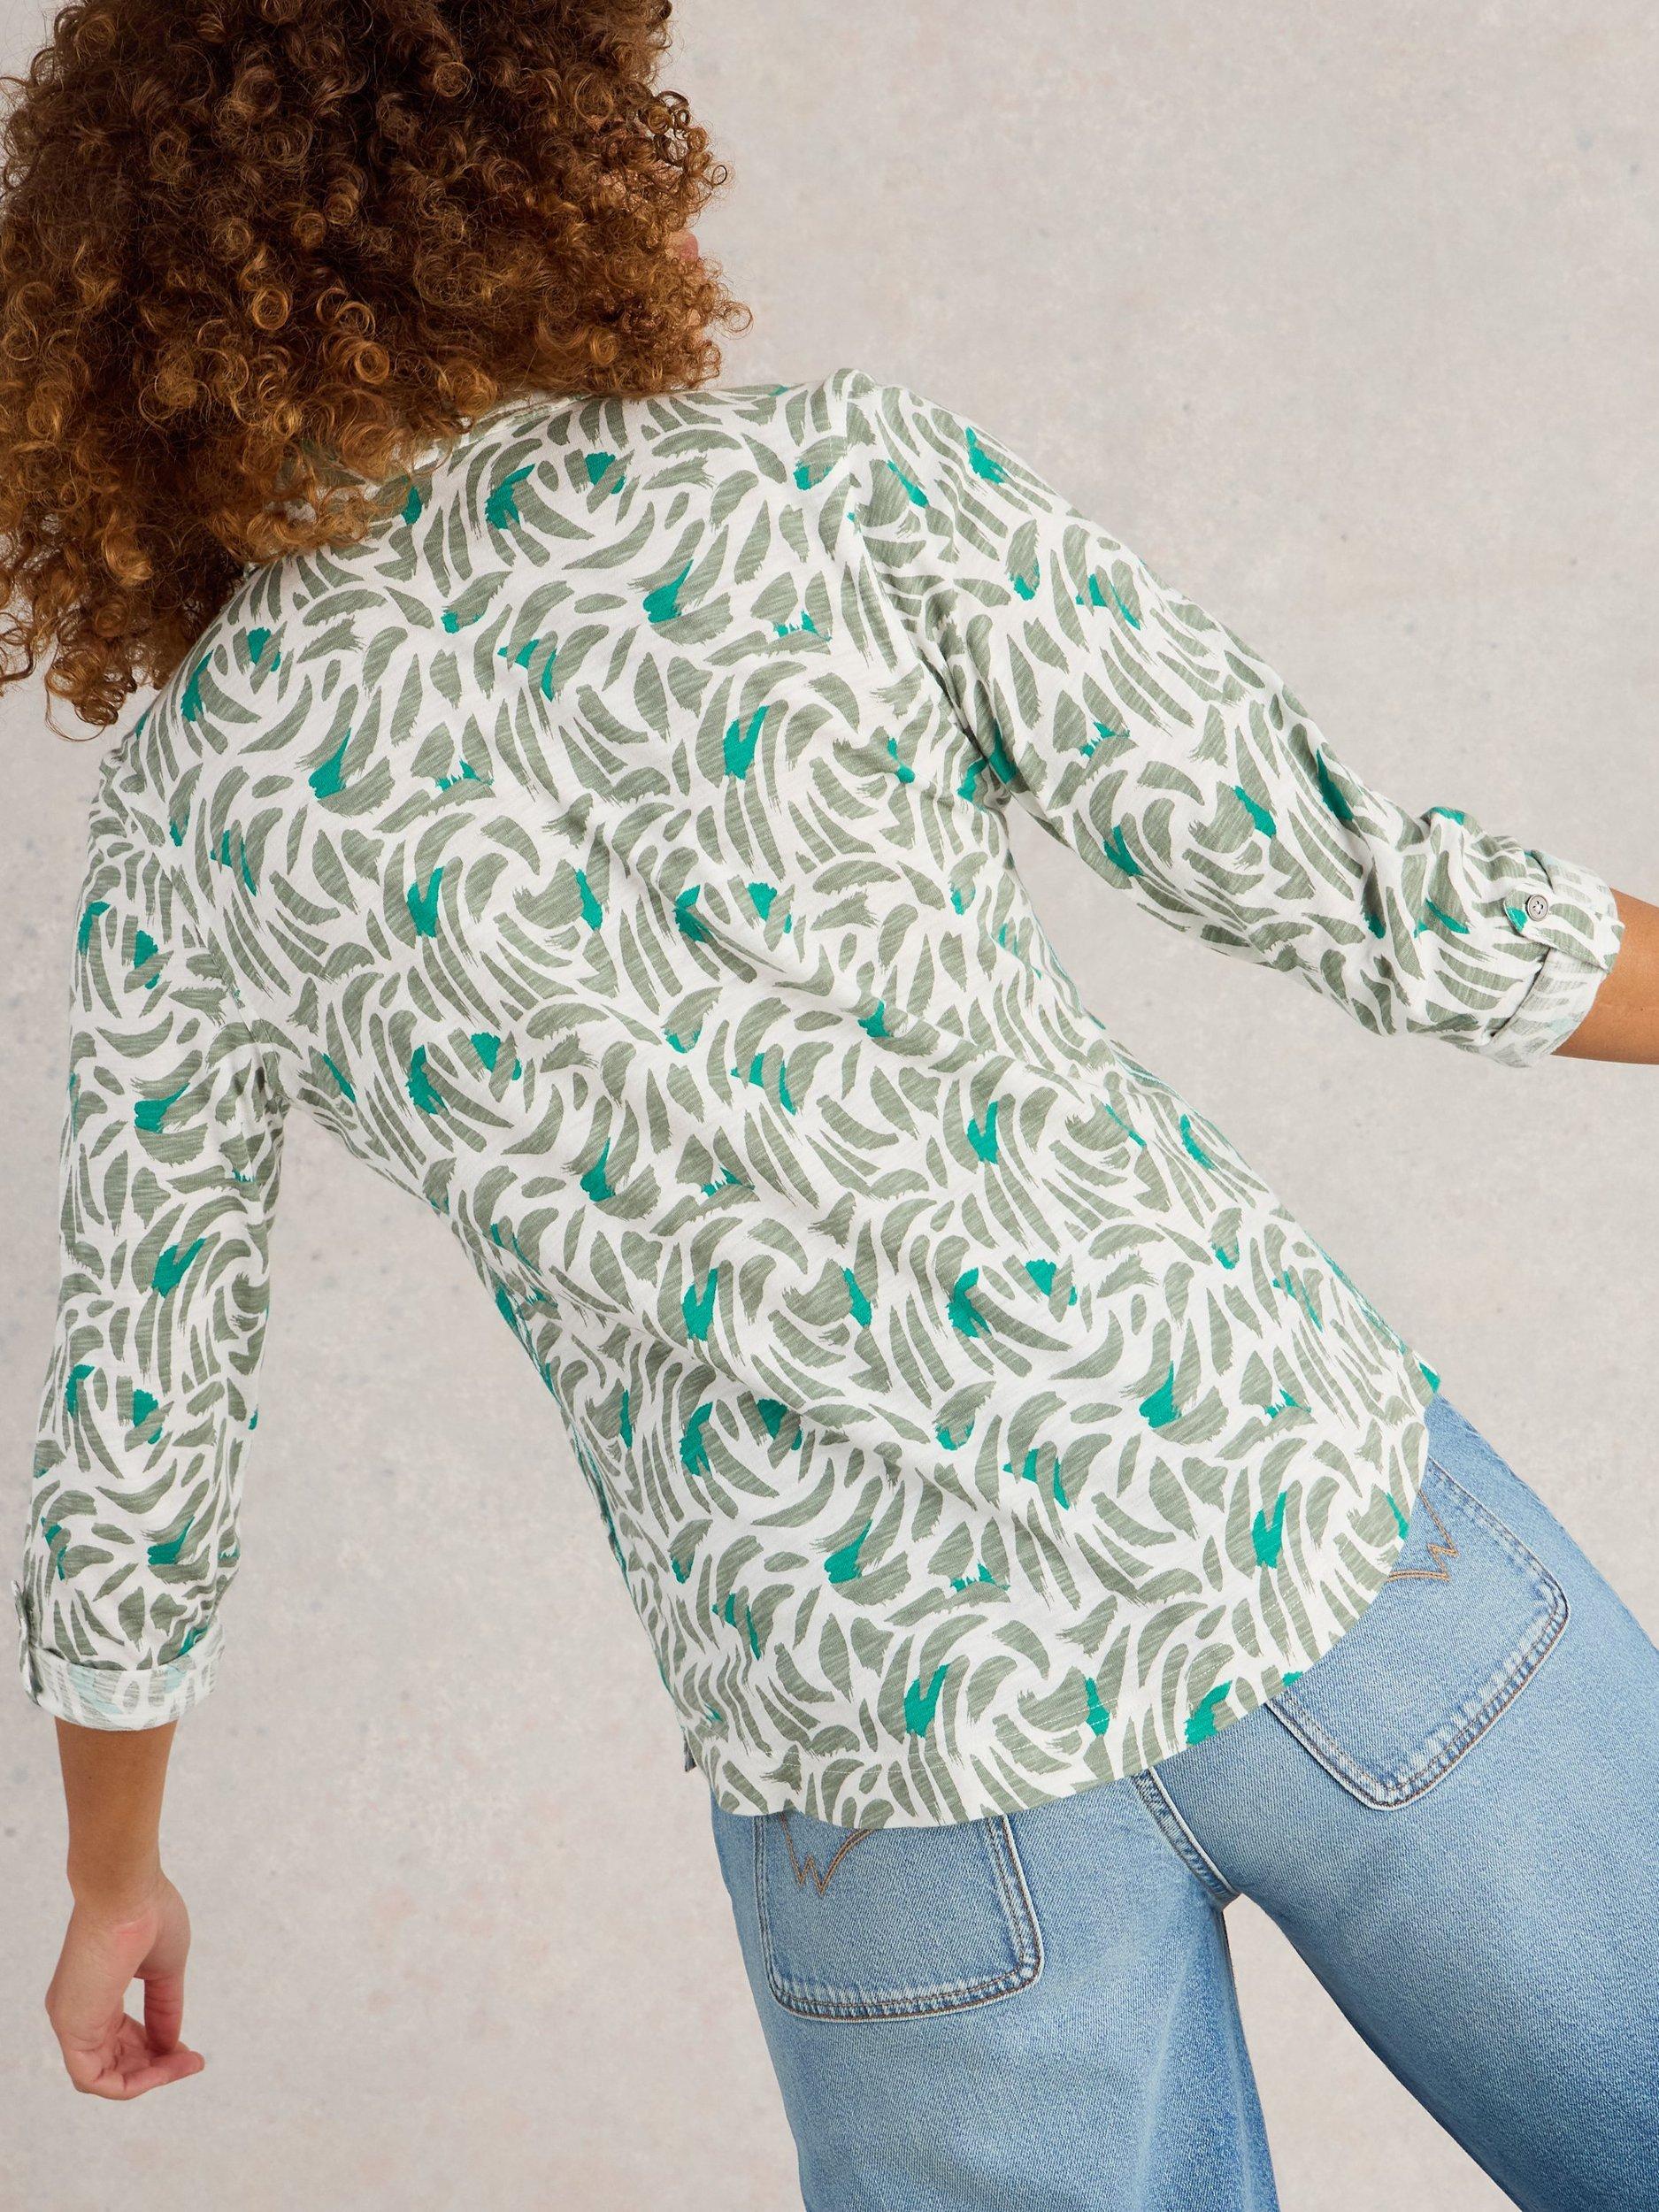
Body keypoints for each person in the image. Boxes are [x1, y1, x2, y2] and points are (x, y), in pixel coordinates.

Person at [3, 4, 1655, 2207]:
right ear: (539, 141)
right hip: (1295, 1510)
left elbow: (141, 1411)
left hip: (879, 1772)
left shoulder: (203, 807)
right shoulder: (836, 485)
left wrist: (112, 1866)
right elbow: (1365, 895)